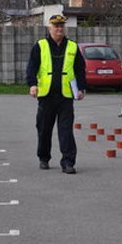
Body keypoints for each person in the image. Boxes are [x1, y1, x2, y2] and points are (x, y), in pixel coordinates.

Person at [26, 14, 86, 174]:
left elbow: (80, 69)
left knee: (66, 130)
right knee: (44, 129)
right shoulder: (40, 45)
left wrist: (81, 88)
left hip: (65, 96)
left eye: (61, 26)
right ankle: (44, 157)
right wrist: (32, 84)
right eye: (56, 26)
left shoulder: (73, 46)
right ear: (49, 28)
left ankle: (68, 162)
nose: (59, 29)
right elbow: (32, 66)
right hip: (46, 95)